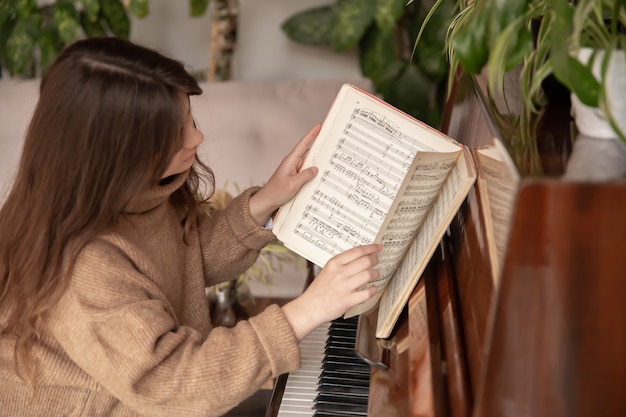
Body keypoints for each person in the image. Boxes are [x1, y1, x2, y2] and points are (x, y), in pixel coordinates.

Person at [0, 37, 382, 416]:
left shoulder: (132, 195)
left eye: (189, 117)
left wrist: (268, 199)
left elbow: (187, 257)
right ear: (117, 154)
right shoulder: (84, 268)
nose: (196, 137)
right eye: (173, 133)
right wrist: (310, 308)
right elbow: (175, 384)